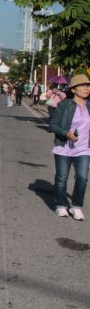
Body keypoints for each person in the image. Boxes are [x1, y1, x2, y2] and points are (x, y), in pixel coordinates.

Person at [48, 74, 90, 221]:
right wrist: (67, 133)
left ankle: (76, 206)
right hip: (64, 148)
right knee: (62, 178)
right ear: (73, 89)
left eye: (88, 86)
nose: (86, 88)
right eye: (82, 86)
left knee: (82, 178)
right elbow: (53, 125)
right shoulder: (64, 105)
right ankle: (61, 204)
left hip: (84, 149)